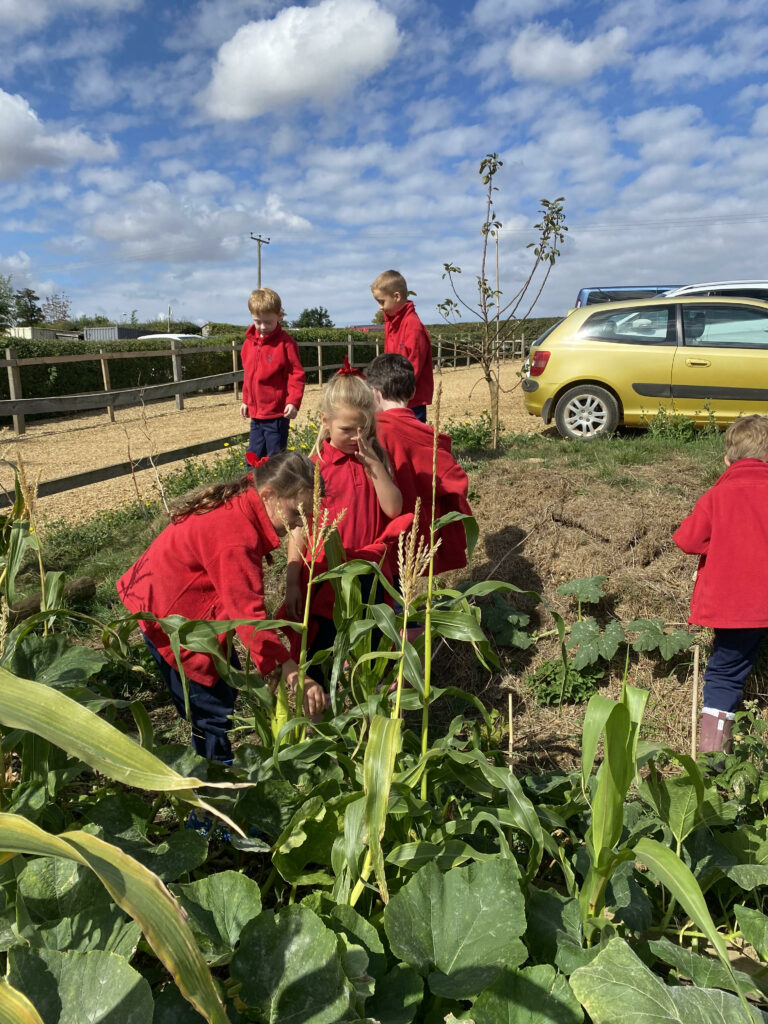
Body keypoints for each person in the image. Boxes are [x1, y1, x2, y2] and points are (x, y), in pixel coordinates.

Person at [117, 450, 326, 762]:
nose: (297, 523)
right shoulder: (235, 539)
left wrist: (271, 663)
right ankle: (210, 792)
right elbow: (247, 616)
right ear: (268, 493)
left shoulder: (247, 498)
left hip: (173, 601)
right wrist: (290, 671)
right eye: (295, 513)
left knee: (222, 691)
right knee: (211, 711)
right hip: (173, 621)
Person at [285, 365, 405, 666]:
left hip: (370, 573)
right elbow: (298, 530)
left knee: (375, 650)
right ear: (325, 421)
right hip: (327, 577)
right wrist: (292, 582)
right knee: (322, 650)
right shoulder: (313, 468)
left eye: (363, 429)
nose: (356, 437)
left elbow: (393, 509)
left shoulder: (375, 460)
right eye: (347, 430)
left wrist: (375, 466)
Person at [673, 414, 768, 755]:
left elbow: (687, 540)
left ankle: (714, 763)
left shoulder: (717, 496)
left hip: (738, 607)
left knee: (724, 676)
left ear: (728, 459)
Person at [366, 352, 473, 576]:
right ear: (413, 392)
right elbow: (456, 483)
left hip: (377, 539)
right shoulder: (429, 438)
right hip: (418, 538)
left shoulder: (372, 433)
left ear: (374, 393)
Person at [240, 287, 306, 458]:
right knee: (253, 457)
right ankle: (253, 484)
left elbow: (296, 374)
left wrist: (293, 401)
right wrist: (246, 400)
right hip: (256, 414)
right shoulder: (249, 344)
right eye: (257, 321)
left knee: (275, 458)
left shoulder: (286, 344)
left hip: (276, 414)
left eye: (268, 322)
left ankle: (276, 486)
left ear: (279, 316)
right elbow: (248, 375)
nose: (263, 327)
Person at [370, 270, 433, 422]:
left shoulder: (412, 325)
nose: (379, 307)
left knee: (411, 437)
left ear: (396, 296)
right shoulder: (391, 322)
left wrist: (396, 392)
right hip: (392, 396)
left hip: (410, 400)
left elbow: (414, 366)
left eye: (381, 301)